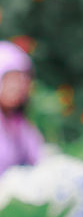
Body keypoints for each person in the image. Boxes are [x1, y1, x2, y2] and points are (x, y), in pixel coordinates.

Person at [0, 41, 44, 177]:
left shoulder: (23, 127)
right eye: (10, 79)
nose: (17, 86)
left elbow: (39, 162)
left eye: (22, 79)